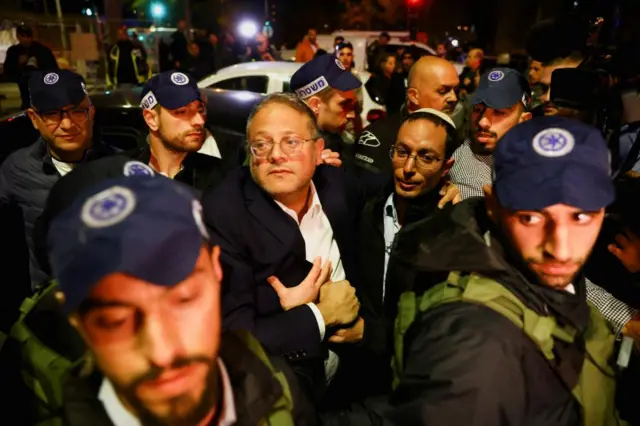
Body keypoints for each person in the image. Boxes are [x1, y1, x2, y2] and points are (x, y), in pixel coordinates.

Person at [387, 116, 625, 425]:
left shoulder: (547, 285)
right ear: (492, 206)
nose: (560, 246)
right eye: (530, 217)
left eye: (581, 216)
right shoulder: (478, 351)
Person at [45, 172, 317, 425]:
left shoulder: (277, 385)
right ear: (76, 321)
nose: (163, 354)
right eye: (116, 320)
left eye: (185, 299)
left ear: (217, 270)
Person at [203, 93, 364, 404]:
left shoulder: (336, 186)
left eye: (291, 142)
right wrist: (319, 316)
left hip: (348, 387)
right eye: (261, 145)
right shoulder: (224, 215)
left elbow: (384, 187)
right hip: (275, 398)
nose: (275, 155)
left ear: (319, 151)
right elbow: (231, 342)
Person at [353, 108, 458, 400]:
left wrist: (369, 335)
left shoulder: (452, 232)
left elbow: (438, 335)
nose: (408, 167)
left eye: (426, 157)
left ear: (446, 166)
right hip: (357, 381)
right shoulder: (366, 208)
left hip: (416, 389)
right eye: (402, 151)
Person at [0, 70, 116, 289]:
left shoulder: (120, 166)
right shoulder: (16, 169)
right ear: (34, 119)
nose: (67, 125)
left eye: (77, 112)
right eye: (52, 114)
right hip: (51, 310)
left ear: (91, 112)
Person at [354, 56, 459, 175]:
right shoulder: (377, 139)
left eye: (456, 90)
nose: (453, 98)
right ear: (413, 96)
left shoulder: (454, 137)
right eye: (443, 91)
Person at [134, 70, 233, 193]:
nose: (199, 121)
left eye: (200, 110)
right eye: (182, 111)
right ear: (152, 119)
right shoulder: (121, 175)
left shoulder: (221, 178)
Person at [449, 68, 532, 199]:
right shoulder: (465, 173)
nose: (482, 122)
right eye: (478, 109)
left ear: (524, 121)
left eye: (499, 112)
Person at [290, 54, 361, 167]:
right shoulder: (290, 155)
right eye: (344, 105)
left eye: (353, 105)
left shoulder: (337, 138)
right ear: (315, 105)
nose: (352, 114)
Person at [2, 24, 58, 109]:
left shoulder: (41, 50)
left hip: (42, 87)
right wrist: (19, 64)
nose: (26, 39)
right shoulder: (14, 51)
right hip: (25, 87)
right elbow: (9, 70)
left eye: (28, 36)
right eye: (23, 36)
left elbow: (52, 68)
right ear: (18, 36)